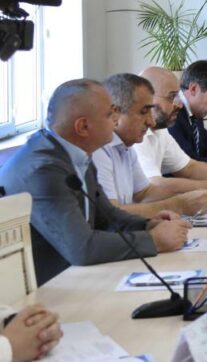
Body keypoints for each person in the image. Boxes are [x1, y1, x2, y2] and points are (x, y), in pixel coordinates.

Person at [0, 80, 189, 285]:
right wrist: (155, 240)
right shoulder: (44, 170)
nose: (116, 119)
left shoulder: (74, 153)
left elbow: (106, 216)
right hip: (44, 288)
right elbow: (82, 248)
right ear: (83, 127)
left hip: (73, 277)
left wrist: (149, 224)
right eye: (110, 114)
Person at [93, 73, 207, 218]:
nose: (151, 122)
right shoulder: (98, 150)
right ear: (115, 113)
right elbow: (110, 215)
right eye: (144, 112)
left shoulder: (126, 146)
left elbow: (145, 192)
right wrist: (178, 204)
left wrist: (196, 196)